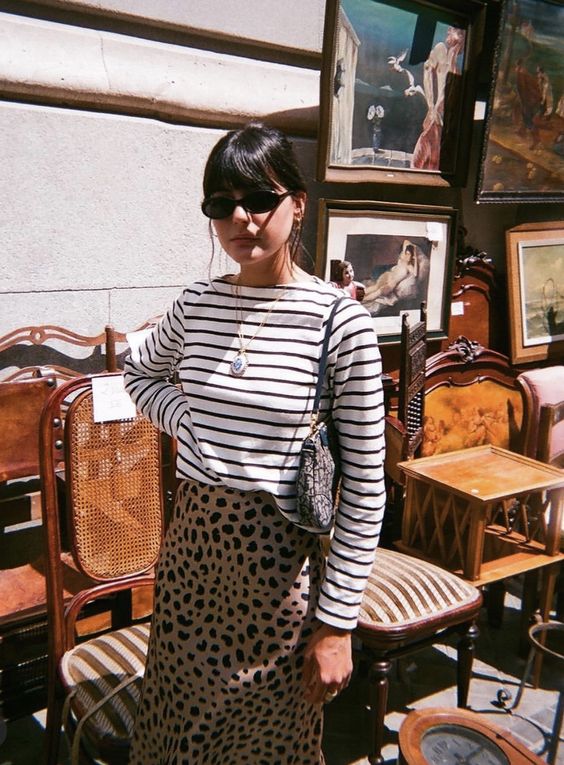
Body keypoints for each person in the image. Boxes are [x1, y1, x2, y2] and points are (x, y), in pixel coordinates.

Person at [124, 122, 386, 765]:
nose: (242, 218)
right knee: (176, 736)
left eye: (260, 199)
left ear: (298, 203)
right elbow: (139, 373)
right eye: (222, 204)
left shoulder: (340, 323)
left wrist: (336, 625)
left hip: (280, 573)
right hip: (191, 559)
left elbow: (365, 489)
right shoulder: (196, 304)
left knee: (265, 746)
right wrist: (189, 423)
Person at [411, 26, 466, 170]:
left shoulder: (456, 69)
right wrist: (431, 108)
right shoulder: (440, 50)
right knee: (425, 147)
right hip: (436, 117)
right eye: (459, 33)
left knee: (435, 158)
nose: (461, 38)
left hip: (444, 119)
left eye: (462, 35)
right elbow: (427, 74)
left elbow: (450, 94)